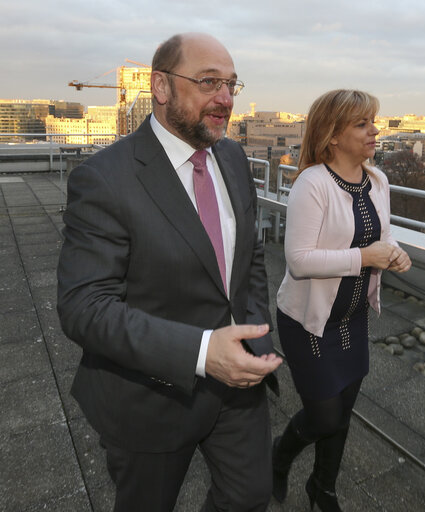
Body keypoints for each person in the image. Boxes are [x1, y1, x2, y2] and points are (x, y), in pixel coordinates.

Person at [56, 33, 282, 512]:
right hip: (150, 398)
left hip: (238, 389)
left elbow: (251, 257)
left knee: (249, 497)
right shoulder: (104, 179)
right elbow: (84, 308)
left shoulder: (235, 158)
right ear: (161, 86)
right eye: (208, 82)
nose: (225, 99)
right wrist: (202, 352)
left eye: (231, 85)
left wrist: (253, 333)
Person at [271, 89, 411, 511]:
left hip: (352, 318)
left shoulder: (378, 181)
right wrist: (365, 258)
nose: (375, 130)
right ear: (332, 134)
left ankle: (323, 488)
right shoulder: (313, 183)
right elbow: (298, 260)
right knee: (324, 417)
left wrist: (394, 252)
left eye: (374, 121)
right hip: (309, 321)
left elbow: (380, 236)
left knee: (343, 412)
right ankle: (278, 457)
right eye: (362, 124)